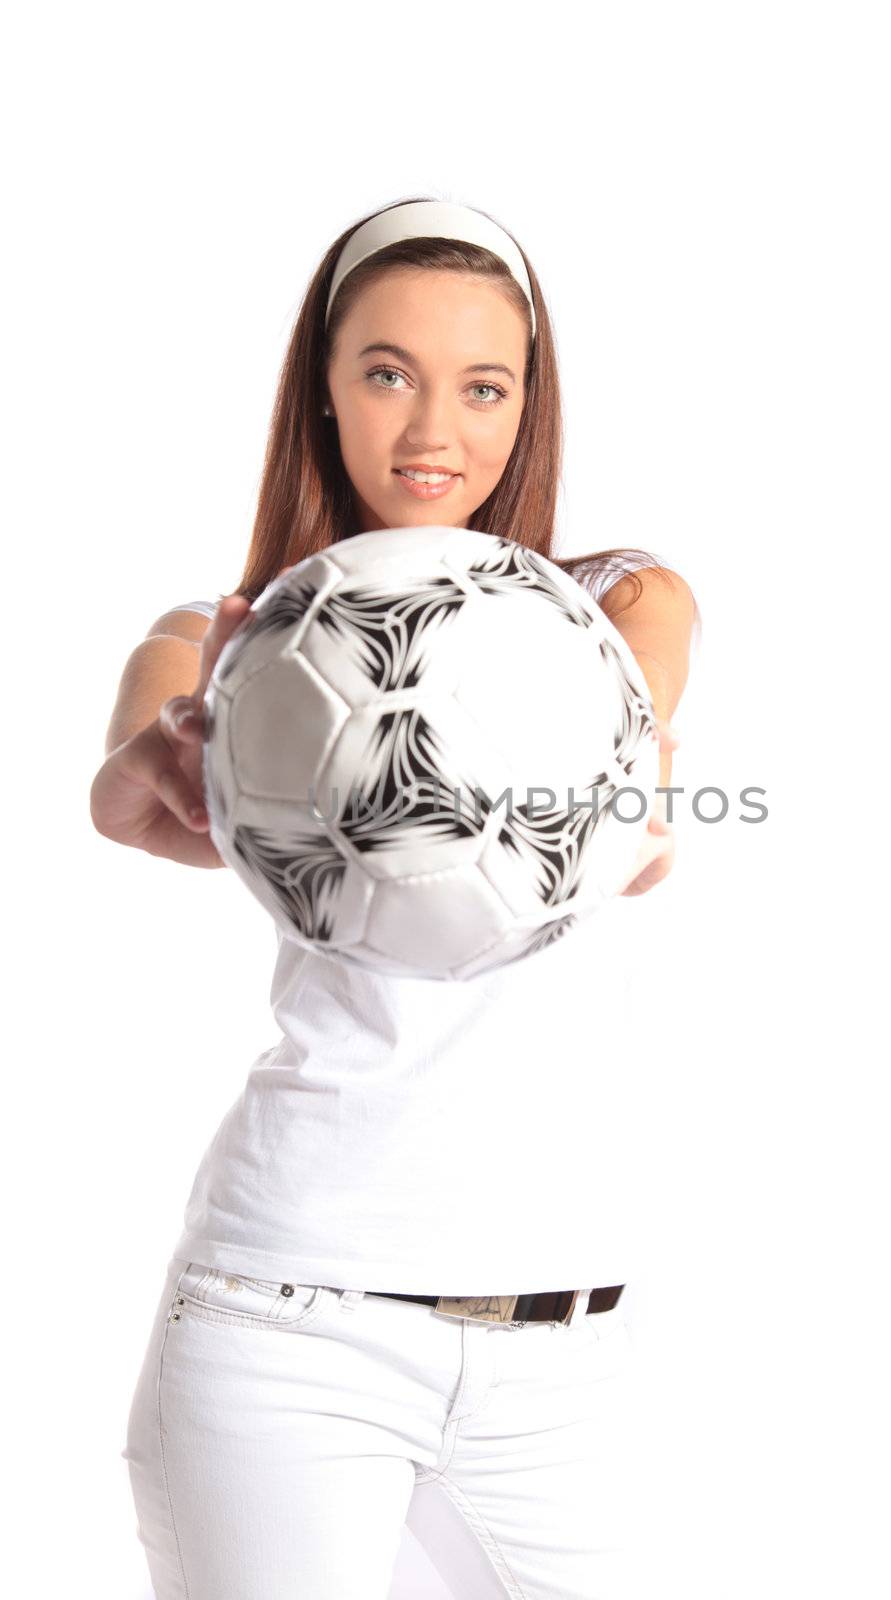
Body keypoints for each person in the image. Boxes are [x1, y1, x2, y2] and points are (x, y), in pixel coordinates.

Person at [89, 196, 700, 1600]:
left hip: (566, 1348)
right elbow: (124, 800)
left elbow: (639, 828)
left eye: (483, 387)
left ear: (529, 407)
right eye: (387, 372)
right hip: (290, 1318)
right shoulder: (229, 643)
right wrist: (174, 768)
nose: (435, 431)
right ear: (323, 389)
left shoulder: (620, 605)